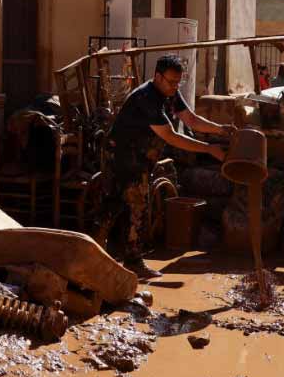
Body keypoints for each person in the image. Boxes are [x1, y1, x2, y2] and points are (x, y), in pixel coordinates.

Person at [98, 55, 236, 278]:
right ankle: (127, 261)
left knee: (121, 206)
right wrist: (209, 149)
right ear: (157, 77)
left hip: (141, 157)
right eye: (171, 82)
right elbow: (171, 136)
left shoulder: (169, 92)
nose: (175, 87)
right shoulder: (147, 98)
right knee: (132, 207)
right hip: (124, 156)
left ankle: (107, 257)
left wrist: (220, 129)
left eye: (178, 82)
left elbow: (190, 119)